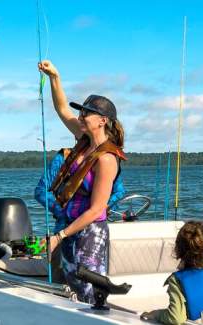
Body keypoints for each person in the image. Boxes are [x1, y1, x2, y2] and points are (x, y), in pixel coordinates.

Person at [37, 59, 127, 303]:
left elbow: (98, 208)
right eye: (82, 111)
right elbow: (62, 109)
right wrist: (55, 77)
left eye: (87, 112)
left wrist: (60, 235)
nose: (81, 115)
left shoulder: (107, 159)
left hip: (89, 233)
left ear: (103, 120)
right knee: (70, 287)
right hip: (69, 228)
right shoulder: (83, 139)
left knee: (88, 291)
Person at [34, 146, 126, 283]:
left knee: (91, 283)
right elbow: (40, 191)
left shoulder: (103, 160)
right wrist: (65, 212)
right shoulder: (64, 157)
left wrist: (101, 206)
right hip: (63, 230)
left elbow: (119, 192)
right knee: (61, 285)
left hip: (93, 233)